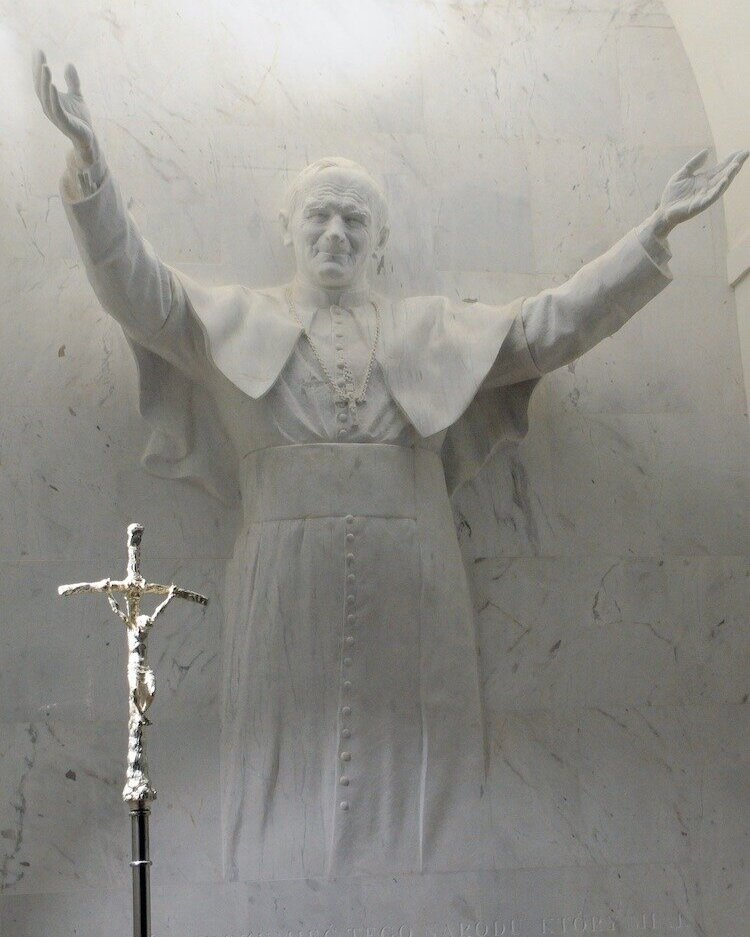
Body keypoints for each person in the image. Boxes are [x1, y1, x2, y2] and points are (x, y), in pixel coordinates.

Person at [32, 51, 747, 882]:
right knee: (279, 752)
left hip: (416, 567)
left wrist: (649, 237)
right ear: (290, 230)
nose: (335, 233)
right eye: (320, 217)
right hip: (282, 568)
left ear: (378, 242)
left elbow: (548, 328)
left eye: (354, 221)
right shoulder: (229, 321)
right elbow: (134, 286)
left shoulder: (431, 330)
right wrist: (90, 166)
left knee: (425, 758)